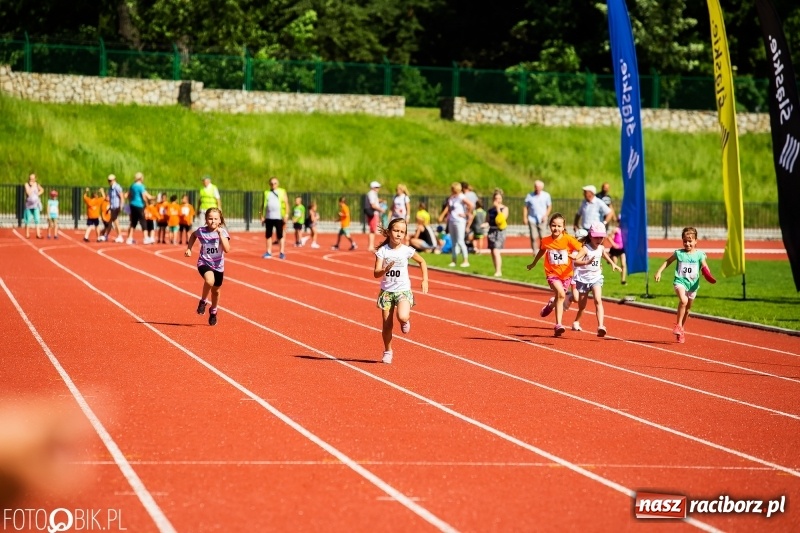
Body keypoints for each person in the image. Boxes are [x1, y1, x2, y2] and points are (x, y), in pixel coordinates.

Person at [373, 217, 429, 364]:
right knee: (387, 325)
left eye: (402, 232)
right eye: (396, 230)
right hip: (387, 292)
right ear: (389, 232)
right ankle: (388, 351)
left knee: (402, 316)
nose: (398, 234)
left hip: (403, 291)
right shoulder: (382, 251)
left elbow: (422, 261)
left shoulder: (407, 251)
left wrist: (425, 279)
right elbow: (376, 273)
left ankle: (405, 321)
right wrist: (384, 269)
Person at [654, 226, 716, 343]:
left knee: (687, 309)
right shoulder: (679, 253)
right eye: (685, 241)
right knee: (683, 301)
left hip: (693, 285)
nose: (687, 244)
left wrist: (708, 274)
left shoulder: (700, 255)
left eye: (690, 241)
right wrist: (659, 271)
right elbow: (668, 261)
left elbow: (704, 266)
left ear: (696, 241)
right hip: (680, 282)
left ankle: (681, 328)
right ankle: (678, 325)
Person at [527, 213, 582, 337]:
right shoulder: (546, 241)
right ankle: (558, 325)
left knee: (559, 298)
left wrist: (576, 256)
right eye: (553, 226)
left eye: (559, 226)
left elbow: (582, 249)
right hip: (552, 274)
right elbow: (542, 250)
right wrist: (533, 263)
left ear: (563, 227)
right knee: (561, 295)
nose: (556, 228)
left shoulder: (568, 239)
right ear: (549, 226)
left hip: (566, 275)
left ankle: (550, 306)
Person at [571, 222, 622, 336]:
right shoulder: (585, 248)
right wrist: (586, 262)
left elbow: (604, 255)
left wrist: (613, 264)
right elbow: (576, 261)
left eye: (601, 237)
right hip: (583, 279)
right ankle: (576, 321)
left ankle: (600, 326)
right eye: (596, 237)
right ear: (590, 236)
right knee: (582, 307)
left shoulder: (601, 248)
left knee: (598, 300)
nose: (599, 239)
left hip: (596, 278)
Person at [185, 207, 231, 326]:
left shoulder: (223, 232)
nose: (213, 221)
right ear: (206, 219)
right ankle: (203, 301)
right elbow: (193, 236)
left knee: (216, 291)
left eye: (216, 219)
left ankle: (214, 310)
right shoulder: (201, 231)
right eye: (210, 218)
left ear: (220, 220)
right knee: (209, 281)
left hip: (218, 266)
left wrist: (221, 235)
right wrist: (189, 249)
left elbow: (227, 249)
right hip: (204, 262)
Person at [438, 182, 473, 268]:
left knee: (460, 241)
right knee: (453, 242)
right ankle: (454, 260)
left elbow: (471, 205)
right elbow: (449, 208)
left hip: (459, 221)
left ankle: (466, 260)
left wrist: (466, 214)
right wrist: (445, 216)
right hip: (452, 220)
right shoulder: (452, 197)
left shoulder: (461, 197)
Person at [259, 177, 289, 259]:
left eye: (275, 183)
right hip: (269, 217)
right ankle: (268, 251)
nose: (273, 185)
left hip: (279, 217)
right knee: (268, 235)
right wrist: (261, 215)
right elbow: (262, 205)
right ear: (269, 184)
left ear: (278, 184)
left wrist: (286, 215)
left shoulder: (282, 191)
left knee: (280, 235)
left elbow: (286, 203)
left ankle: (282, 252)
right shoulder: (266, 192)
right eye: (272, 183)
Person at [484, 190, 509, 277]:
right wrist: (484, 224)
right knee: (492, 251)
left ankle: (499, 271)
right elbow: (488, 220)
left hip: (500, 231)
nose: (497, 200)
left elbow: (502, 219)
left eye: (499, 198)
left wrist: (498, 209)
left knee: (496, 250)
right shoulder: (490, 210)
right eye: (496, 198)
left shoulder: (504, 209)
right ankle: (496, 270)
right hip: (491, 230)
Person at [523, 179, 552, 253]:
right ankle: (534, 251)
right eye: (536, 186)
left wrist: (546, 215)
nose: (537, 188)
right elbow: (525, 207)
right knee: (533, 236)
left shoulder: (546, 195)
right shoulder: (529, 196)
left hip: (542, 219)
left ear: (542, 187)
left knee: (543, 236)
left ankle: (542, 251)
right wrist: (525, 217)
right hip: (532, 218)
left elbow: (549, 206)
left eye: (539, 187)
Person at [124, 172, 151, 245]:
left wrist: (130, 201)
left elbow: (127, 195)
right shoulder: (141, 186)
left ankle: (130, 238)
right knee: (143, 221)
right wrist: (148, 202)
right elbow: (144, 196)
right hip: (139, 205)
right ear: (141, 178)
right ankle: (145, 238)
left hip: (132, 205)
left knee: (133, 222)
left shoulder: (132, 186)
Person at [100, 174, 125, 243]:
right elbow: (109, 198)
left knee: (115, 221)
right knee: (110, 221)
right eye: (108, 180)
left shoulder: (117, 187)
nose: (109, 182)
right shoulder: (110, 188)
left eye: (110, 180)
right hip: (112, 206)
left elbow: (121, 196)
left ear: (114, 180)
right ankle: (106, 235)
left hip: (116, 206)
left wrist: (121, 205)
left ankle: (120, 236)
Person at [23, 173, 44, 239]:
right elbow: (28, 193)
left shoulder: (36, 184)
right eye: (30, 178)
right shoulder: (26, 184)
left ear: (35, 179)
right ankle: (27, 234)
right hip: (28, 205)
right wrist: (33, 186)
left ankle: (38, 234)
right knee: (28, 220)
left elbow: (42, 190)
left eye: (33, 179)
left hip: (36, 205)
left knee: (37, 220)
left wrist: (38, 194)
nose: (31, 180)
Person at [364, 181, 384, 251]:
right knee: (372, 230)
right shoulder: (372, 194)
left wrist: (380, 201)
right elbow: (373, 205)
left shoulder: (373, 194)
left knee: (372, 230)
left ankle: (371, 246)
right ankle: (370, 246)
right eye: (377, 187)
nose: (378, 189)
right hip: (373, 213)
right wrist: (381, 209)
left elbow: (375, 201)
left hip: (373, 213)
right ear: (373, 187)